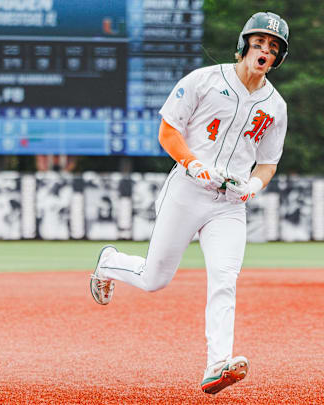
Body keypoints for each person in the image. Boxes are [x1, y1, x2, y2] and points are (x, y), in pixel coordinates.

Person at [89, 11, 289, 395]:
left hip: (230, 203)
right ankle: (110, 262)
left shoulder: (275, 106)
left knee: (225, 279)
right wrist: (194, 165)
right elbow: (168, 130)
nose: (265, 50)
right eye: (260, 42)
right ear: (245, 44)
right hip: (187, 190)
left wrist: (252, 187)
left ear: (278, 58)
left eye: (273, 46)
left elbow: (268, 162)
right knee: (154, 279)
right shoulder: (205, 80)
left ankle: (217, 364)